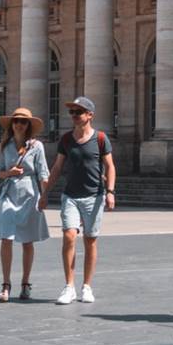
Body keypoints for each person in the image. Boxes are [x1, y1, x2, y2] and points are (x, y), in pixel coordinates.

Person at [38, 96, 115, 305]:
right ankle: (69, 286)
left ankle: (87, 286)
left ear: (90, 115)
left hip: (94, 196)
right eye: (72, 112)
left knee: (90, 240)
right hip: (70, 195)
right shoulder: (66, 140)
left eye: (78, 112)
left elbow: (110, 166)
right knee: (69, 236)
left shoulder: (100, 138)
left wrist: (110, 192)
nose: (74, 115)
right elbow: (56, 168)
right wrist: (45, 194)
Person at [0, 107, 51, 302]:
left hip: (29, 192)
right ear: (11, 124)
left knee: (27, 239)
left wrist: (44, 195)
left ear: (28, 126)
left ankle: (25, 283)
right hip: (9, 191)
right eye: (16, 121)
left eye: (23, 122)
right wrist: (9, 173)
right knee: (6, 237)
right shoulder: (4, 145)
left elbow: (43, 172)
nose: (19, 124)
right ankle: (6, 283)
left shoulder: (37, 146)